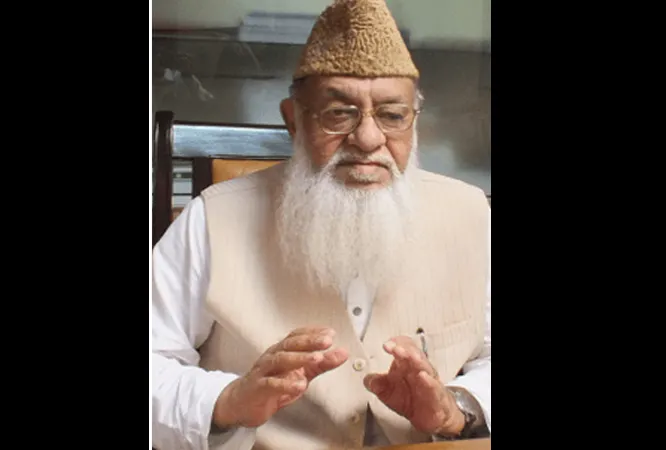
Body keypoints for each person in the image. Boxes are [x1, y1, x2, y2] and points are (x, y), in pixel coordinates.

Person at [150, 1, 490, 448]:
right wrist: (228, 400)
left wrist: (459, 406)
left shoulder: (471, 214)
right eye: (339, 113)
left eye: (392, 115)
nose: (367, 139)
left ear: (414, 121)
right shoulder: (211, 219)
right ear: (293, 119)